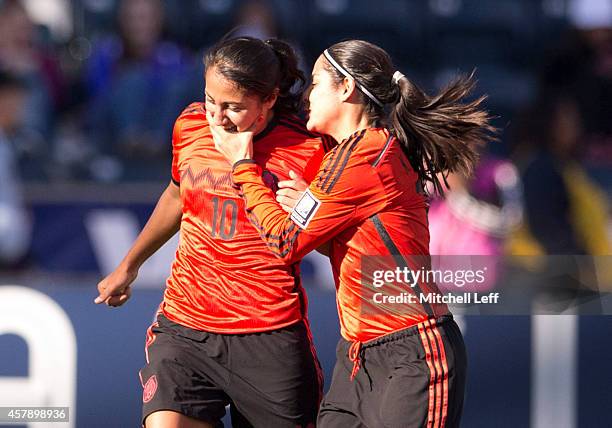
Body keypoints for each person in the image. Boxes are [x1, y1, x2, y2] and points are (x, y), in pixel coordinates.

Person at [213, 40, 495, 427]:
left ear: (345, 88)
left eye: (316, 83)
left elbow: (286, 243)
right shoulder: (350, 155)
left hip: (413, 350)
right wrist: (304, 212)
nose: (307, 95)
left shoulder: (366, 155)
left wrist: (243, 167)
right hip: (360, 354)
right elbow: (356, 248)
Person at [94, 36, 334, 428]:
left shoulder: (309, 147)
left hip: (267, 333)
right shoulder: (190, 125)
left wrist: (305, 210)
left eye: (233, 107)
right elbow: (176, 195)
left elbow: (328, 242)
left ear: (270, 99)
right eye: (210, 100)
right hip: (186, 323)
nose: (217, 117)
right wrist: (129, 265)